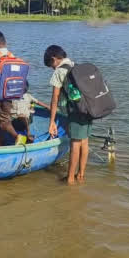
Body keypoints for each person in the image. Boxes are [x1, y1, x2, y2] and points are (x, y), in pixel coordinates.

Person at [44, 44, 91, 185]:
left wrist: (52, 121)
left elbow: (55, 98)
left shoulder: (59, 72)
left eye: (51, 65)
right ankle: (81, 175)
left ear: (54, 59)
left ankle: (70, 179)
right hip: (88, 109)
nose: (52, 68)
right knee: (84, 141)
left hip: (74, 111)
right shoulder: (75, 66)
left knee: (75, 143)